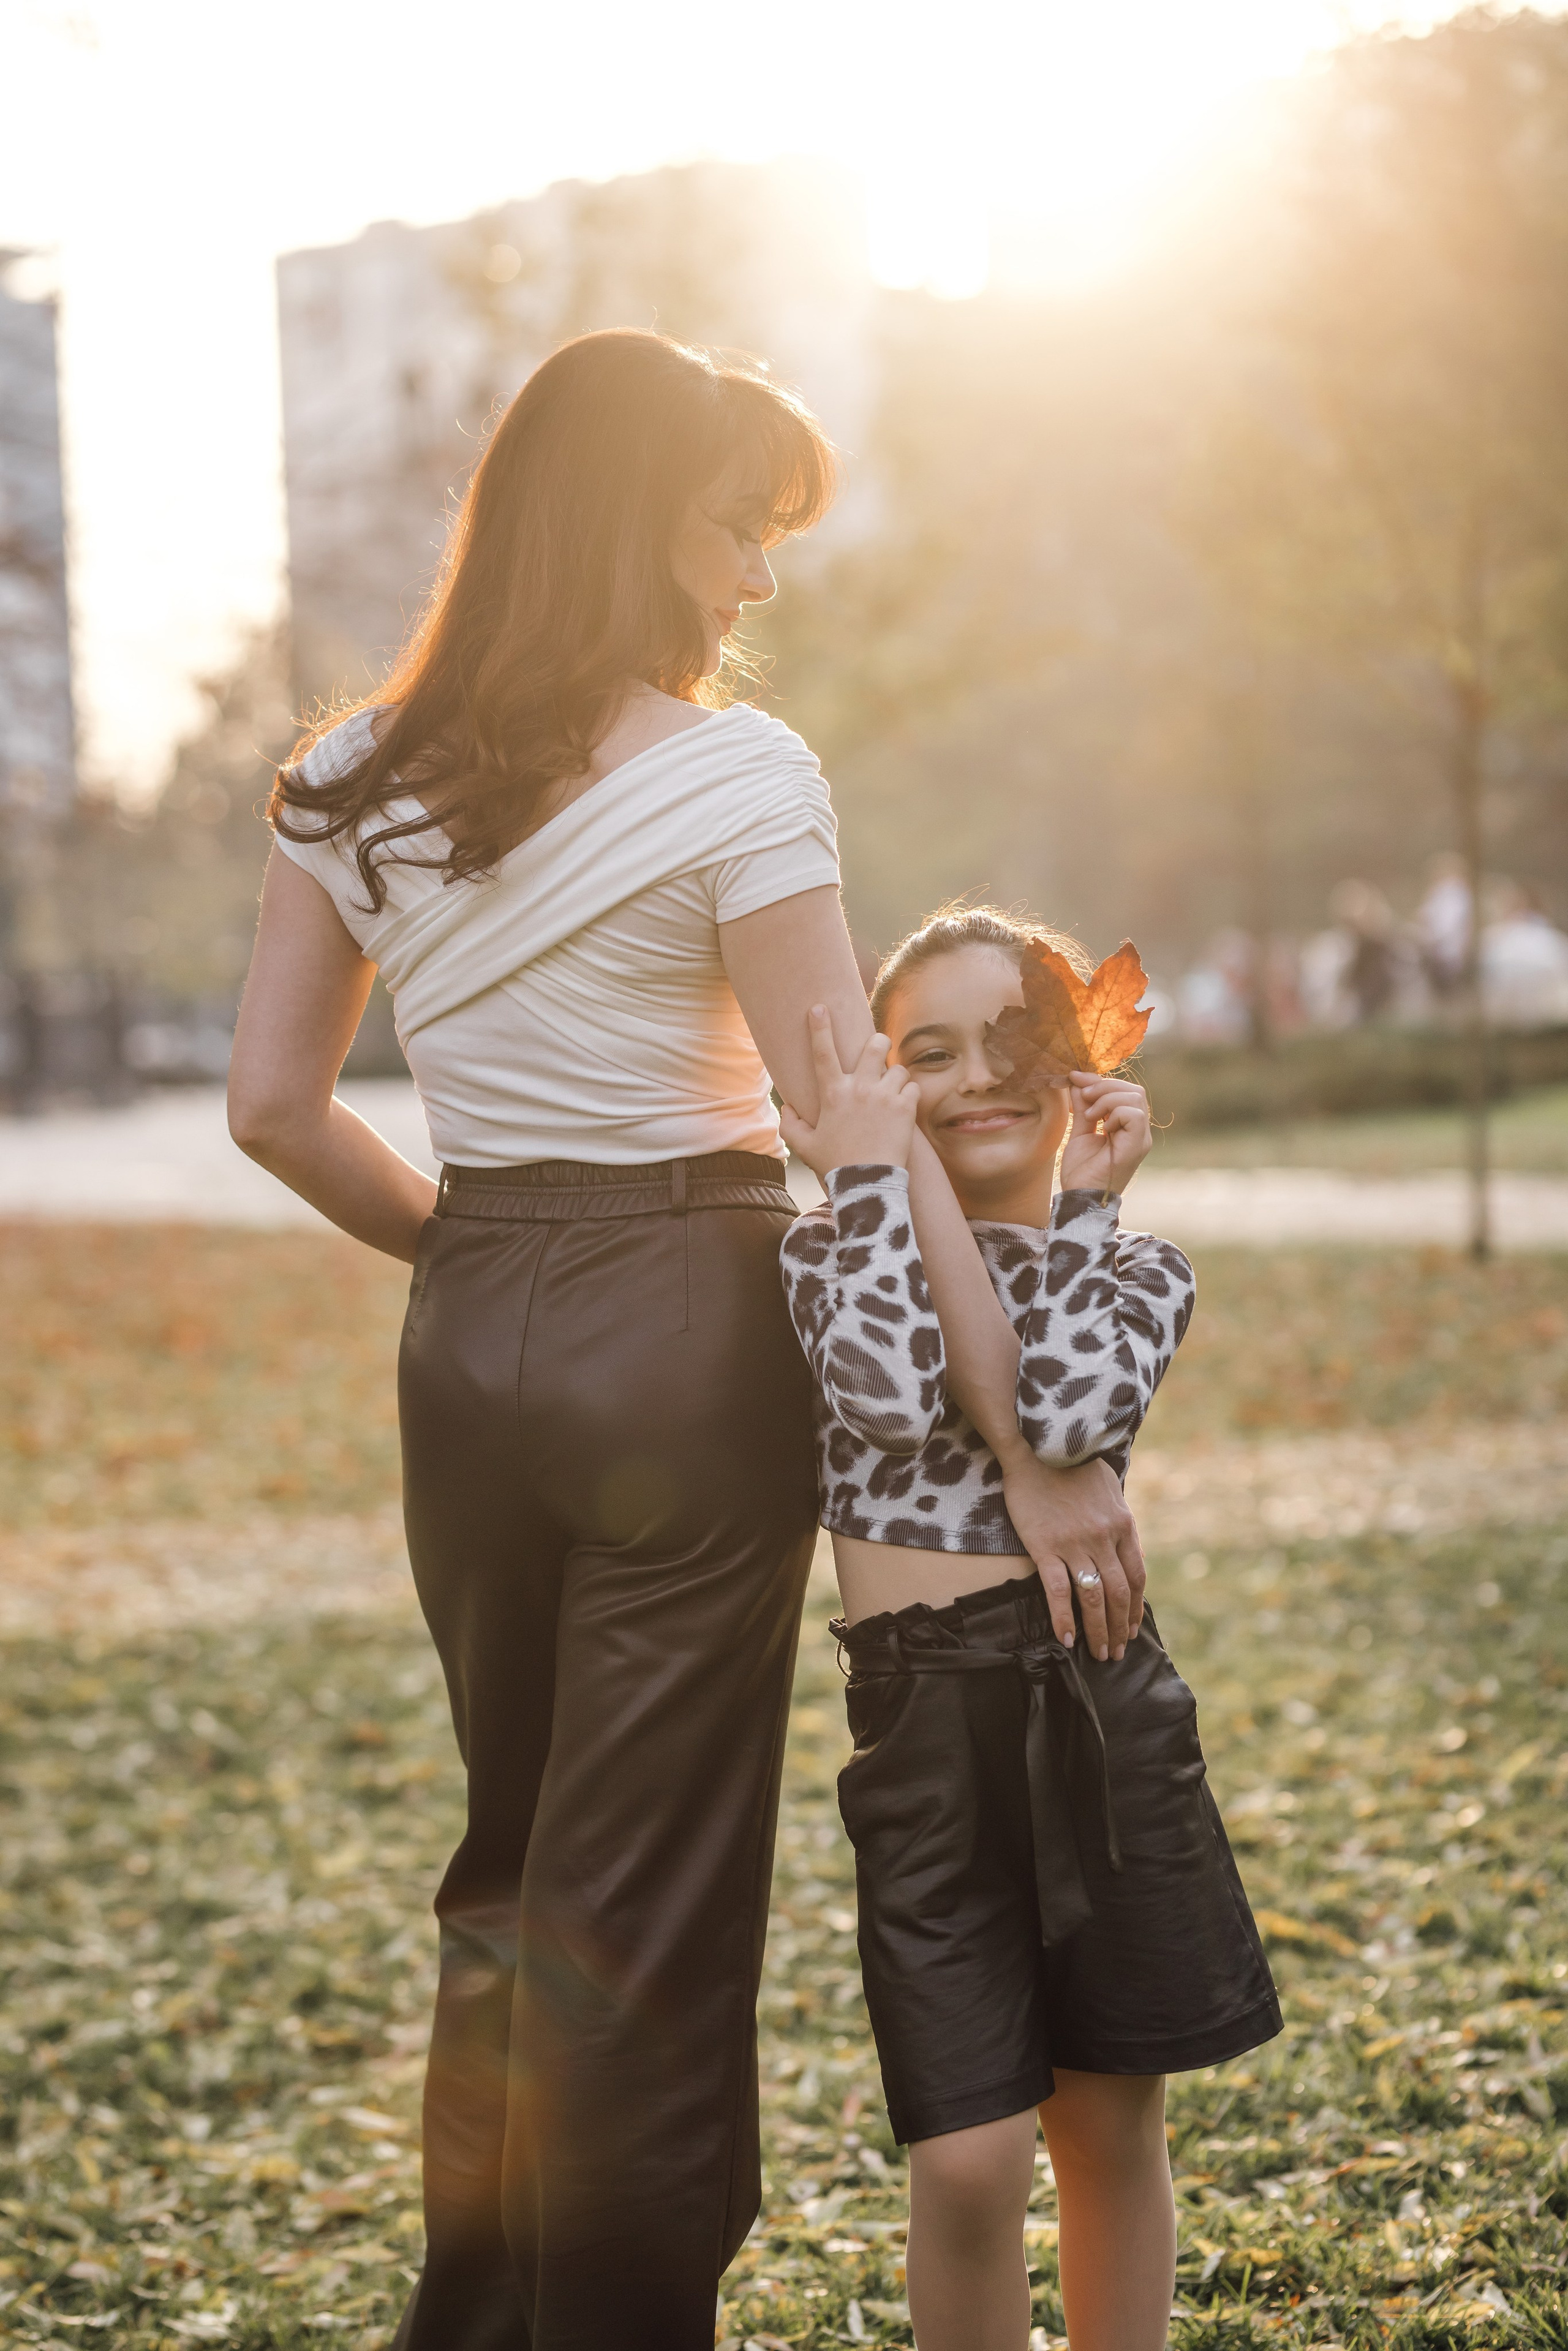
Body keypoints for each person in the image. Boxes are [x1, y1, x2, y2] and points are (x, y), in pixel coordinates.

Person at [226, 331, 1145, 2350]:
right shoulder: (741, 771)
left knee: (512, 1870)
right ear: (639, 517)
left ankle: (475, 2315)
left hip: (473, 1331)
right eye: (740, 525)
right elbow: (860, 1137)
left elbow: (276, 1108)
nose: (760, 576)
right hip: (691, 1327)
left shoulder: (340, 779)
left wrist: (477, 1271)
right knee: (636, 1907)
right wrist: (1044, 1437)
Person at [779, 905, 1282, 2351]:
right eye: (925, 1052)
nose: (977, 1077)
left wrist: (1089, 1207)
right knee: (967, 2157)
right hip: (925, 1733)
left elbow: (1062, 1418)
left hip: (1098, 1711)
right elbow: (880, 1388)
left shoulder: (1136, 1269)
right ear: (880, 1079)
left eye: (1016, 1042)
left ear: (1073, 1070)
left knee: (1106, 2128)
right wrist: (867, 1174)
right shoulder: (827, 1254)